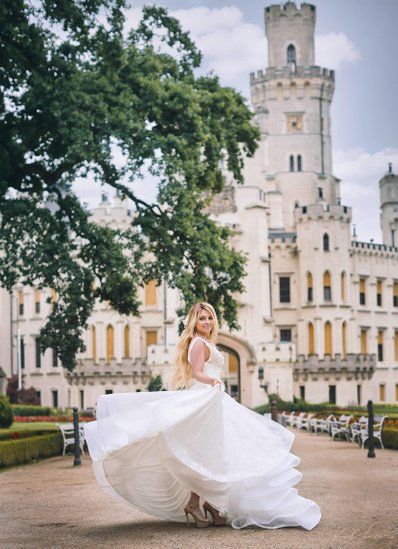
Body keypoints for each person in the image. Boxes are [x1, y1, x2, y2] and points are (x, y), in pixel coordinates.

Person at [84, 302, 321, 530]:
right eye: (202, 318)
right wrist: (214, 380)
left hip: (213, 398)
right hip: (205, 397)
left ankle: (203, 503)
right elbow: (197, 373)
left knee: (211, 454)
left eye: (209, 317)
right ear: (194, 322)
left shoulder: (207, 341)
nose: (206, 321)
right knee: (206, 453)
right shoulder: (197, 343)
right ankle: (199, 504)